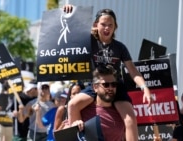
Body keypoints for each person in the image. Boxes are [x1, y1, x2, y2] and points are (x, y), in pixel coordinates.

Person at [63, 5, 153, 141]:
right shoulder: (89, 42)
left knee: (129, 120)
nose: (107, 28)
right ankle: (78, 136)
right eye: (103, 24)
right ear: (96, 25)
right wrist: (69, 13)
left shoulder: (120, 47)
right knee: (72, 104)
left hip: (116, 85)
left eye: (110, 25)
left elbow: (133, 71)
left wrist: (145, 88)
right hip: (97, 84)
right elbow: (70, 34)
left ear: (115, 27)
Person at [72, 65, 125, 141]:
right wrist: (74, 125)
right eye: (106, 85)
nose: (110, 88)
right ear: (95, 87)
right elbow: (61, 134)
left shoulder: (122, 112)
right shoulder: (82, 110)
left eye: (113, 84)